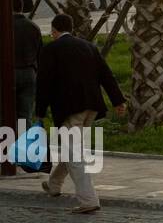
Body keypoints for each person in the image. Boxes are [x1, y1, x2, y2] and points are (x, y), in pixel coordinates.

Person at [35, 14, 126, 212]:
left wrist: (39, 112)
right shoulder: (88, 47)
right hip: (91, 107)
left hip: (69, 109)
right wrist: (118, 101)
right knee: (72, 148)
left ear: (54, 30)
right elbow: (106, 74)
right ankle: (54, 185)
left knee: (73, 154)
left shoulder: (50, 50)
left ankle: (88, 200)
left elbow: (43, 83)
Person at [13, 11, 42, 129]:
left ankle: (6, 142)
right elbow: (40, 52)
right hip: (29, 72)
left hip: (8, 73)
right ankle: (24, 143)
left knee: (5, 111)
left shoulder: (5, 25)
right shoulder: (33, 26)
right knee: (25, 114)